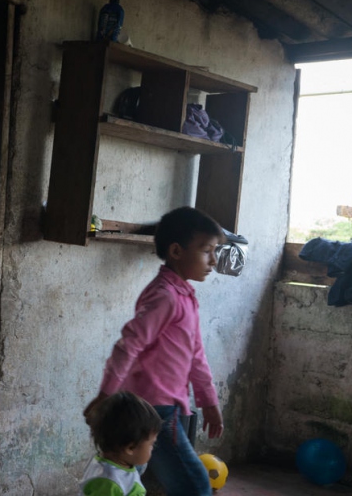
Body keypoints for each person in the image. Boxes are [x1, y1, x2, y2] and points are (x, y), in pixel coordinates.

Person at [83, 206, 224, 496]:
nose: (213, 260)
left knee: (130, 477)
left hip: (164, 406)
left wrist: (208, 400)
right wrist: (106, 394)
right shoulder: (165, 297)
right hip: (155, 409)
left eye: (215, 251)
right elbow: (128, 344)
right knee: (195, 484)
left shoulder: (185, 297)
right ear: (176, 251)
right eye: (206, 250)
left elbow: (196, 355)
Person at [80, 391, 162, 496]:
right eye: (151, 444)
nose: (152, 448)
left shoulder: (120, 468)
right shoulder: (108, 482)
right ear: (130, 448)